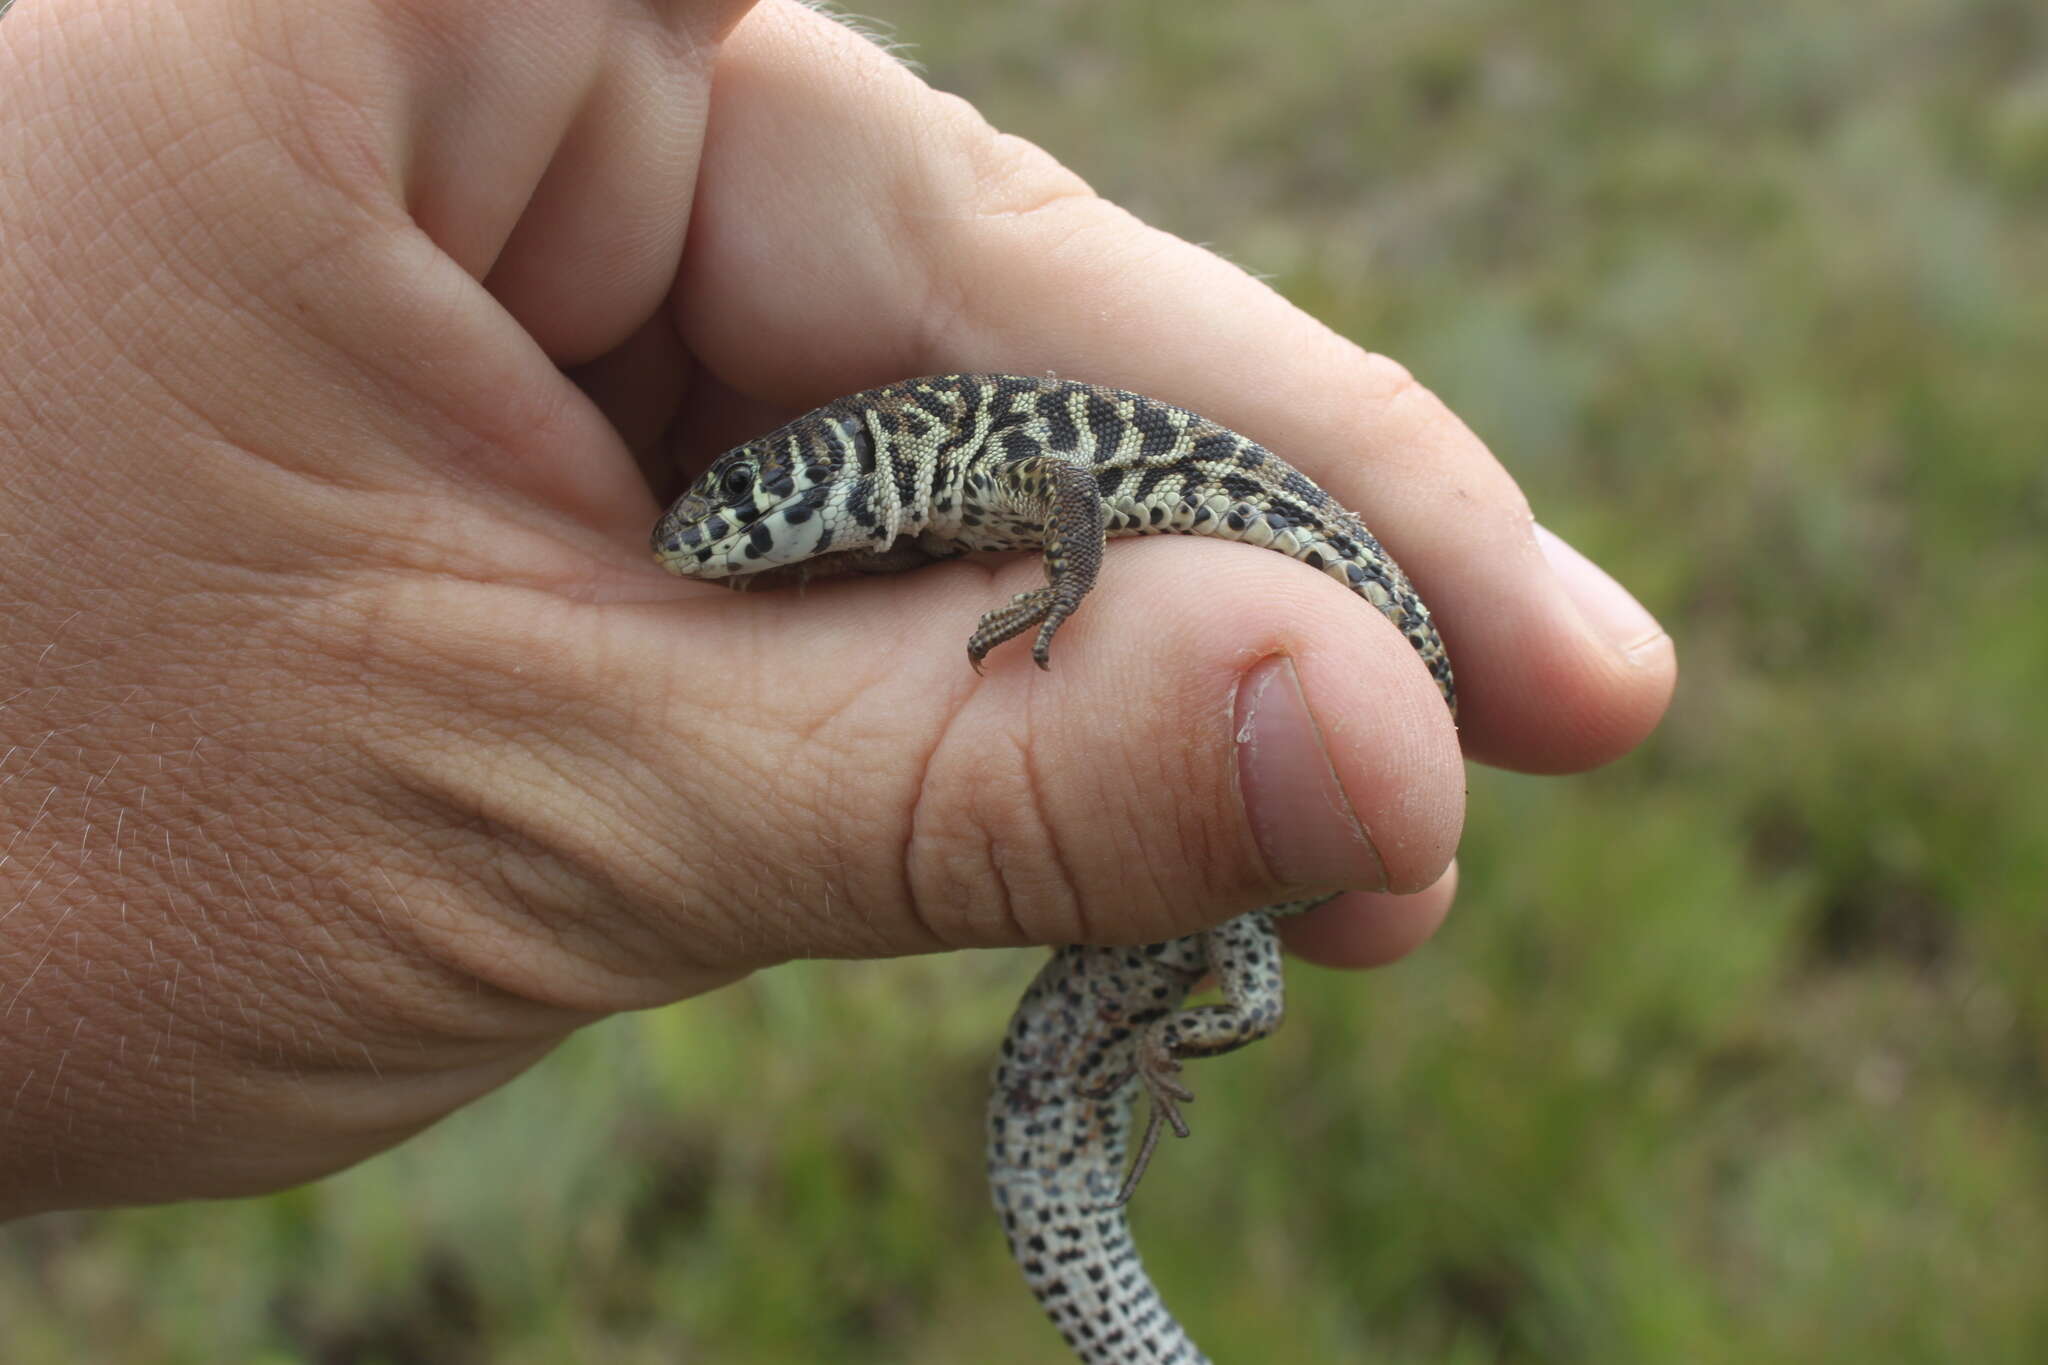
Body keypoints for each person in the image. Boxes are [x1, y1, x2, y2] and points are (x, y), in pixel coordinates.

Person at [0, 0, 1674, 1219]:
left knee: (1242, 956)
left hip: (1372, 633)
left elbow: (1078, 498)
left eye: (746, 512)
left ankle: (1145, 1039)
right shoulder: (898, 460)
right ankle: (1139, 1043)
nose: (714, 532)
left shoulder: (970, 453)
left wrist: (1063, 607)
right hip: (1331, 727)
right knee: (1241, 949)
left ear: (840, 486)